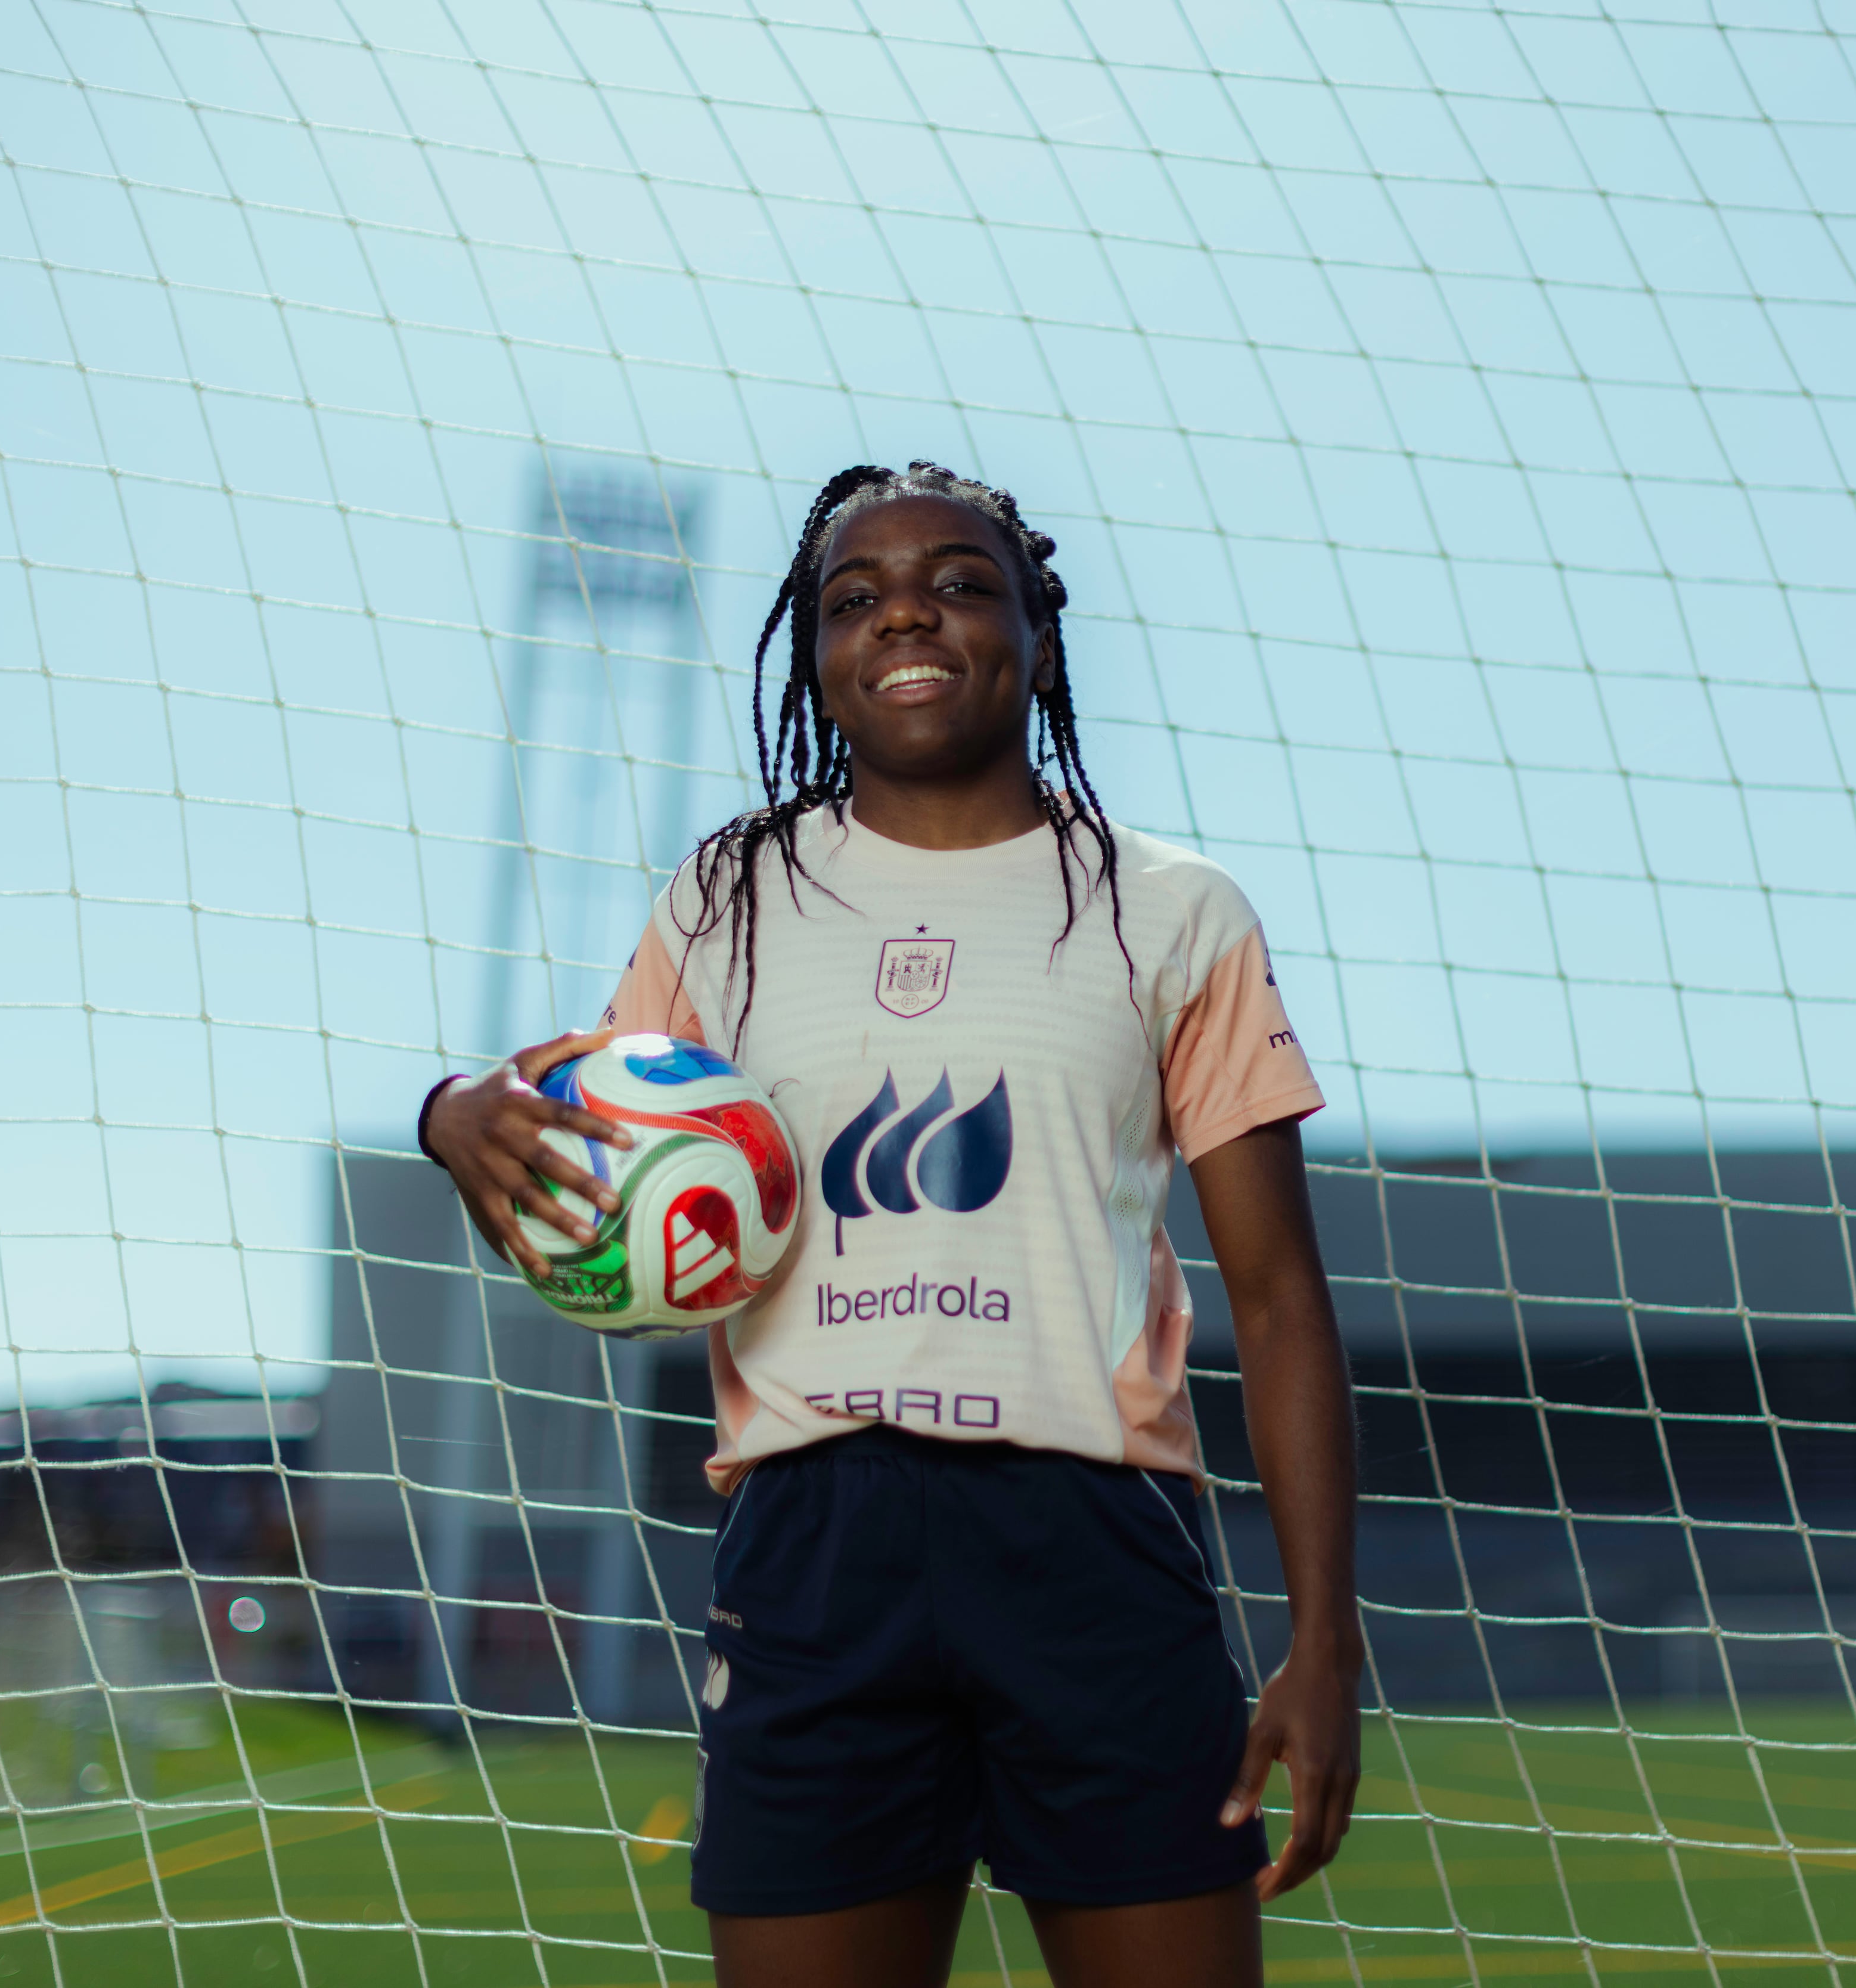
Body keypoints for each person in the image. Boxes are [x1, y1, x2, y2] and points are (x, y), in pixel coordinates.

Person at [418, 461, 1360, 1987]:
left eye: (961, 580)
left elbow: (1279, 1293)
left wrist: (1325, 1642)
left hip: (1095, 1551)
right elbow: (574, 1156)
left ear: (1036, 634)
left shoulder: (1174, 912)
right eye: (853, 596)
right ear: (813, 659)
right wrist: (452, 1112)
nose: (906, 610)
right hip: (813, 1550)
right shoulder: (725, 899)